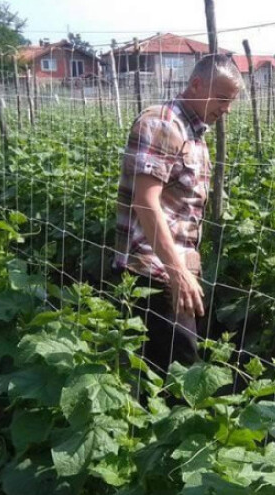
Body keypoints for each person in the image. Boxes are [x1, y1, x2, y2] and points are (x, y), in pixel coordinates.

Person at [113, 54, 243, 370]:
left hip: (172, 269)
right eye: (222, 98)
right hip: (152, 273)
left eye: (231, 101)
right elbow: (145, 202)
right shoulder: (163, 124)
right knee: (177, 376)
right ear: (197, 84)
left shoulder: (192, 133)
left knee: (170, 373)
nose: (226, 108)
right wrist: (178, 272)